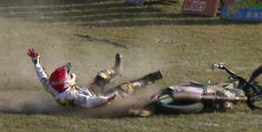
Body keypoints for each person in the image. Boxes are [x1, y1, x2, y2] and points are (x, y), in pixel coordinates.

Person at [26, 49, 163, 108]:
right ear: (66, 83)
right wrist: (108, 99)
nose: (70, 74)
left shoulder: (52, 86)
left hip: (90, 92)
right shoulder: (71, 95)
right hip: (97, 101)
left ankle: (116, 69)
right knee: (124, 88)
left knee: (102, 76)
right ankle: (150, 79)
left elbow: (42, 76)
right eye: (68, 75)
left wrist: (35, 61)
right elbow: (89, 102)